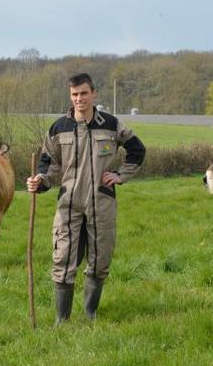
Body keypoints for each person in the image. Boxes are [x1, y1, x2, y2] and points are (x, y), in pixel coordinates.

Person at [26, 73, 146, 325]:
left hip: (101, 202)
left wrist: (120, 175)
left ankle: (90, 314)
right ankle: (62, 319)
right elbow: (49, 164)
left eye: (83, 93)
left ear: (94, 94)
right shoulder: (59, 127)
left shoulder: (111, 124)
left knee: (100, 260)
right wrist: (39, 180)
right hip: (68, 203)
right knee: (62, 259)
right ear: (70, 96)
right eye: (74, 94)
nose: (79, 98)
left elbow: (137, 150)